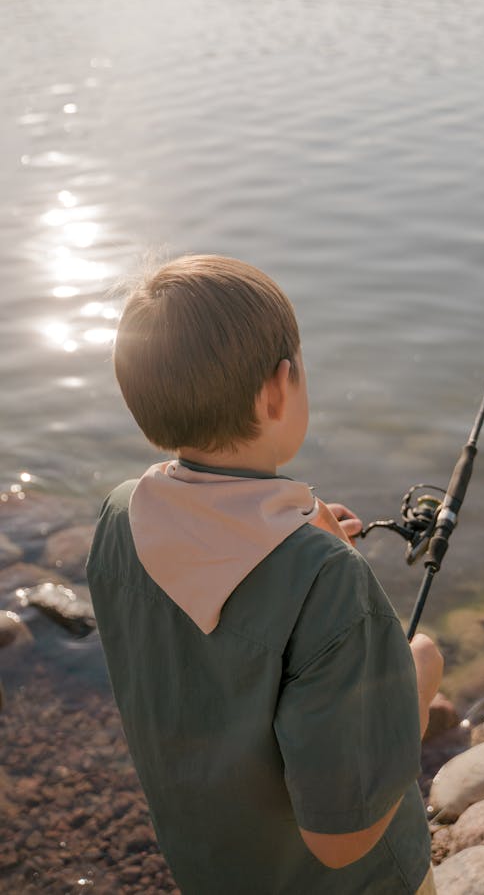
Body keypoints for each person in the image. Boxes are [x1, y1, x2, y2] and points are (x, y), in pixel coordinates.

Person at [87, 253, 443, 894]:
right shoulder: (330, 586)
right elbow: (343, 837)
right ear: (281, 387)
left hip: (211, 866)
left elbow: (211, 599)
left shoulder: (119, 519)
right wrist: (414, 683)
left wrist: (297, 535)